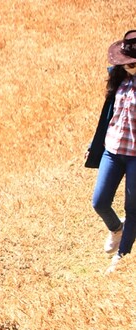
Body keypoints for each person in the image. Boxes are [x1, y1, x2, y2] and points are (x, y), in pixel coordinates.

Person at [86, 30, 136, 273]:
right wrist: (93, 146)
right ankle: (117, 229)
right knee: (99, 201)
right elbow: (109, 118)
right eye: (126, 63)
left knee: (133, 207)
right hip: (113, 150)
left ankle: (122, 255)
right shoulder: (119, 80)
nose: (129, 67)